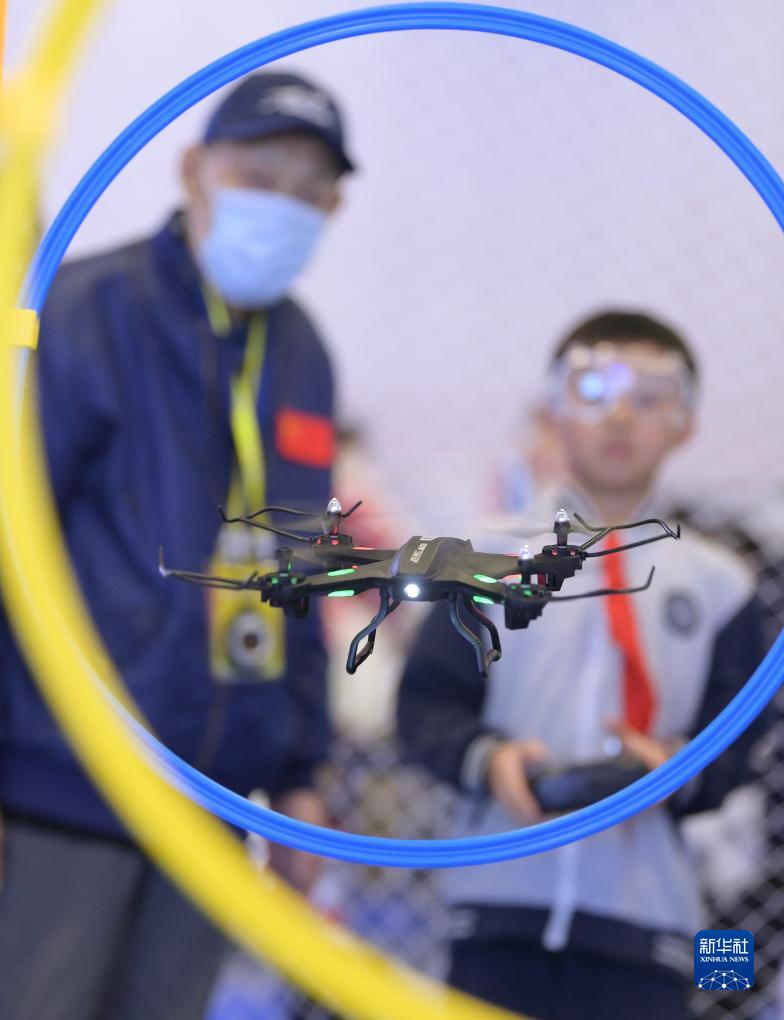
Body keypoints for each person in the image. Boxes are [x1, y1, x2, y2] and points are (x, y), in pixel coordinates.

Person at [0, 70, 354, 1020]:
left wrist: (300, 772)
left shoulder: (305, 355)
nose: (283, 205)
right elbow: (11, 542)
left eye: (309, 190)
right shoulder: (85, 311)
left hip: (216, 806)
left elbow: (302, 573)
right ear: (194, 169)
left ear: (334, 209)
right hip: (64, 787)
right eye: (259, 175)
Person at [397, 310, 769, 1020]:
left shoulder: (722, 584)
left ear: (686, 423)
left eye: (650, 396)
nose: (620, 417)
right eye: (594, 390)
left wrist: (677, 768)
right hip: (495, 912)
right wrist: (490, 761)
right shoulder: (480, 558)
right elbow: (423, 706)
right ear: (553, 411)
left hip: (648, 927)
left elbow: (740, 740)